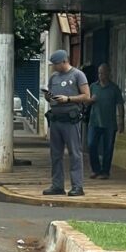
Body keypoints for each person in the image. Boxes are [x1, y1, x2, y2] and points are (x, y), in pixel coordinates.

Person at [43, 49, 90, 196]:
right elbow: (49, 97)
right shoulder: (54, 77)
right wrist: (48, 97)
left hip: (71, 119)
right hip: (56, 118)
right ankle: (57, 185)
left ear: (64, 61)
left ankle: (77, 186)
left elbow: (86, 96)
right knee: (55, 154)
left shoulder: (77, 75)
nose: (55, 67)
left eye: (56, 64)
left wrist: (68, 99)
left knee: (74, 153)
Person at [87, 63, 125, 179]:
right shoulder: (93, 86)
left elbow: (120, 105)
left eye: (103, 73)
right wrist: (90, 100)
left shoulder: (114, 88)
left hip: (109, 123)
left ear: (109, 73)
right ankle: (96, 169)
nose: (101, 75)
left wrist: (121, 121)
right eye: (99, 73)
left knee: (107, 148)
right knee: (91, 145)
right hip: (94, 122)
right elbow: (85, 101)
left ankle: (105, 171)